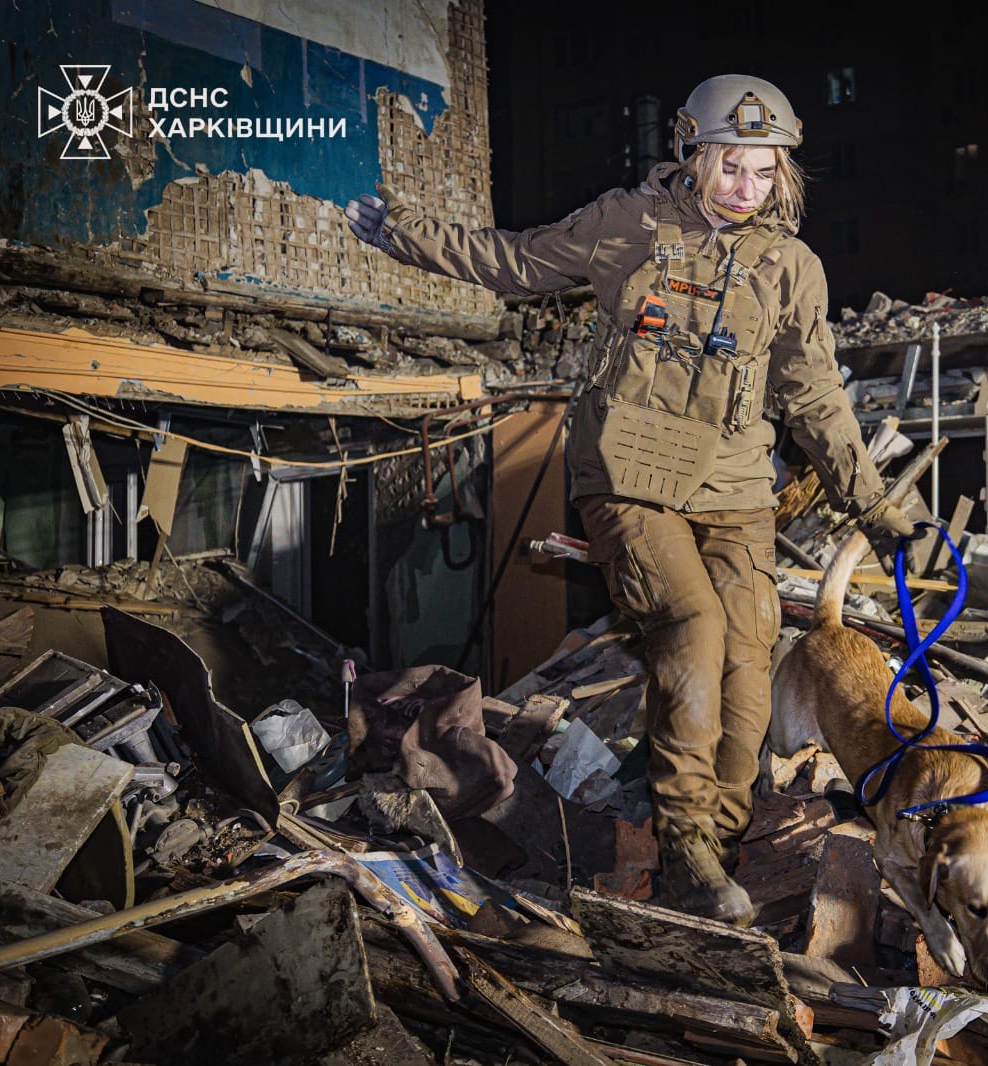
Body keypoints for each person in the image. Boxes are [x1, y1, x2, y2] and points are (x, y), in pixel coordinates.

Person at [345, 74, 912, 926]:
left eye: (764, 174)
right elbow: (515, 262)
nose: (745, 191)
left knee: (750, 662)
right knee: (691, 629)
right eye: (731, 169)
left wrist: (873, 505)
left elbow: (815, 395)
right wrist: (405, 234)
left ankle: (718, 835)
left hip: (733, 483)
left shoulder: (792, 268)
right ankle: (686, 849)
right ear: (694, 155)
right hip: (630, 476)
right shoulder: (628, 224)